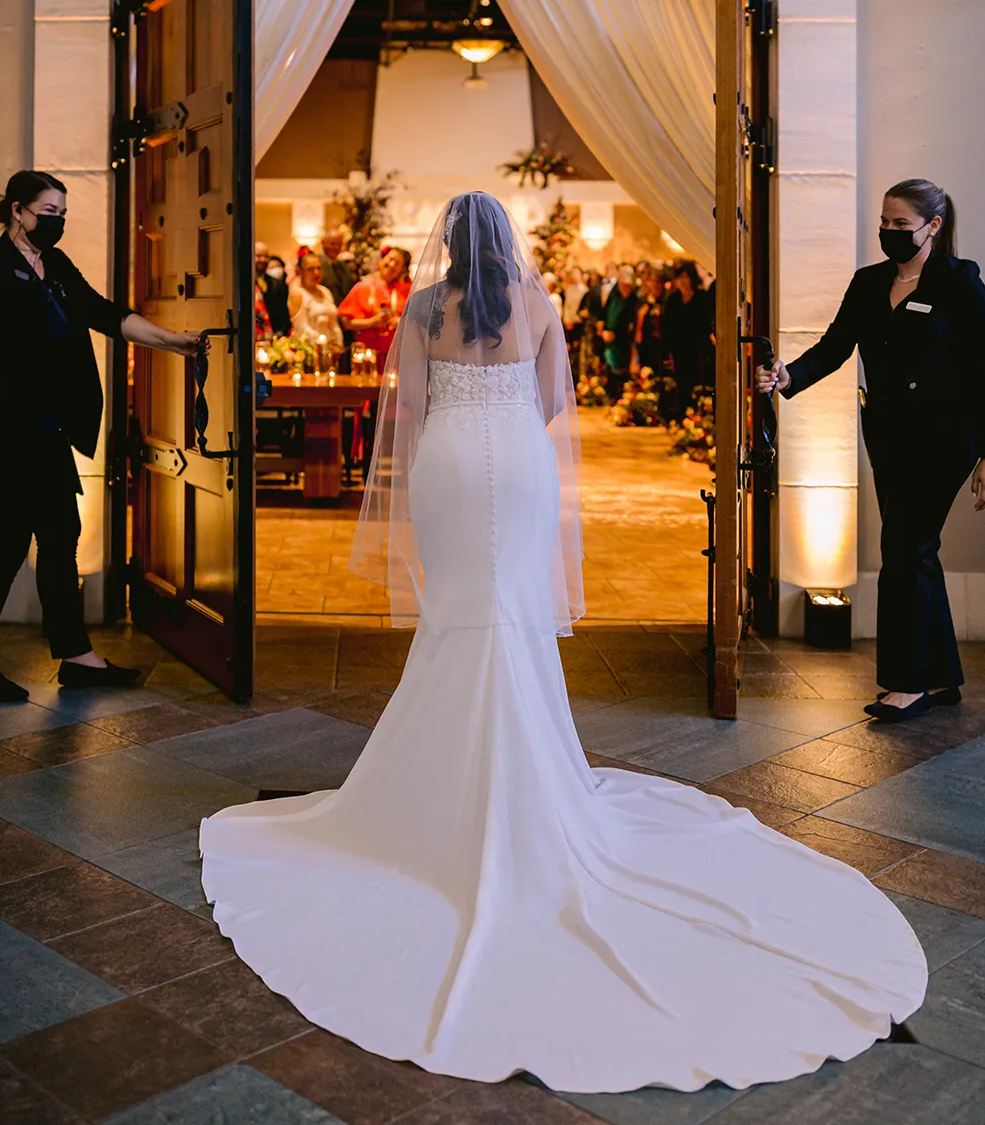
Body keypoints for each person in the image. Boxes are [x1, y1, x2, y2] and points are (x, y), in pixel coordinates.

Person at [201, 191, 925, 1095]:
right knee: (512, 611)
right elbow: (551, 402)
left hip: (454, 467)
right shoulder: (540, 302)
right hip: (518, 459)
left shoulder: (424, 309)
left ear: (444, 248)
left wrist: (460, 425)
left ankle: (440, 779)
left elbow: (412, 409)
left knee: (460, 612)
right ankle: (532, 773)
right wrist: (501, 412)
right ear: (505, 243)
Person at [756, 178, 985, 723]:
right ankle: (943, 677)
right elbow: (835, 346)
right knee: (917, 551)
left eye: (900, 225)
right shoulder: (869, 282)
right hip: (887, 437)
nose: (888, 232)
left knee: (905, 550)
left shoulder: (959, 280)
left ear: (932, 226)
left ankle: (908, 684)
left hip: (944, 439)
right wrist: (788, 376)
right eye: (883, 223)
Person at [0, 170, 204, 702]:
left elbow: (105, 314)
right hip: (8, 433)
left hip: (50, 432)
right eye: (47, 213)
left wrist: (173, 342)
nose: (55, 223)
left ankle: (76, 655)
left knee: (61, 543)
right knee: (0, 551)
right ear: (17, 210)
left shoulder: (54, 266)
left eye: (62, 214)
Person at [337, 247, 410, 373]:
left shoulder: (407, 290)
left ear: (402, 269)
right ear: (381, 260)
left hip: (397, 358)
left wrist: (401, 322)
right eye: (390, 259)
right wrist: (372, 322)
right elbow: (345, 323)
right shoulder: (362, 287)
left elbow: (421, 324)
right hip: (367, 357)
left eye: (397, 263)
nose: (391, 265)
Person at [662, 259, 713, 420]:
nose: (682, 281)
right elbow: (667, 328)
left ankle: (697, 417)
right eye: (679, 277)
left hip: (698, 349)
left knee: (699, 384)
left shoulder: (702, 298)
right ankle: (681, 417)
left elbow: (707, 324)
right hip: (679, 349)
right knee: (681, 384)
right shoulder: (672, 301)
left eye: (686, 277)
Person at [288, 253, 344, 352]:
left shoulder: (325, 291)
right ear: (301, 271)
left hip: (330, 349)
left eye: (319, 268)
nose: (316, 273)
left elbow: (334, 324)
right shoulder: (297, 294)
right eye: (310, 269)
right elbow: (302, 329)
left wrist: (338, 343)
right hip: (308, 350)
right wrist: (325, 345)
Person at [602, 264, 640, 401]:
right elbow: (606, 313)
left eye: (627, 286)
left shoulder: (634, 302)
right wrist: (605, 329)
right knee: (611, 370)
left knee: (623, 372)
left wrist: (615, 334)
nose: (624, 288)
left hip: (624, 341)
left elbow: (630, 323)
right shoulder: (615, 297)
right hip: (611, 340)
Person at [254, 242, 290, 337]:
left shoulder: (277, 283)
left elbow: (284, 311)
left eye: (266, 256)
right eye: (258, 256)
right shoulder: (245, 284)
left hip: (275, 335)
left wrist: (282, 332)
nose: (263, 259)